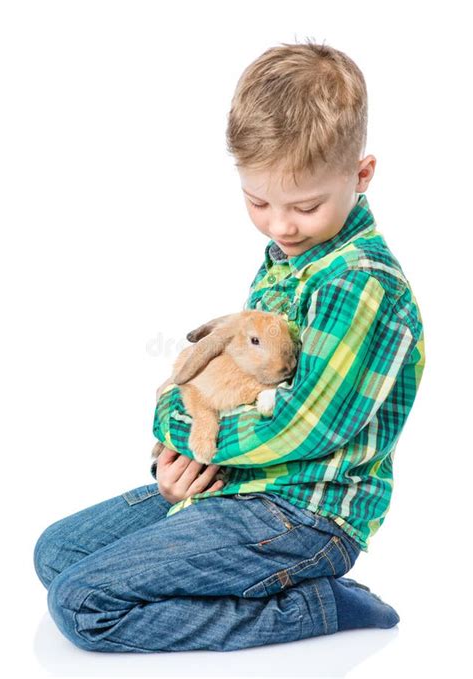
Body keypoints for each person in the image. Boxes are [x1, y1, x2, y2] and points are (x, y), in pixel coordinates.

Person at [33, 39, 425, 653]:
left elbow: (305, 425)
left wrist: (201, 436)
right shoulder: (283, 265)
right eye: (258, 201)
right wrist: (180, 444)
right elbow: (219, 367)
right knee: (58, 555)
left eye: (305, 206)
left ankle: (313, 606)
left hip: (302, 514)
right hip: (236, 485)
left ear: (362, 174)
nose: (280, 226)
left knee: (83, 608)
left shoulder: (360, 286)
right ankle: (225, 572)